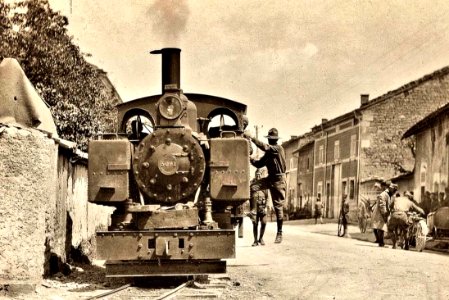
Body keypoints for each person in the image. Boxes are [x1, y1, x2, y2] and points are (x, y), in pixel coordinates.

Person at [244, 128, 287, 244]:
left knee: (278, 207)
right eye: (270, 139)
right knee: (253, 187)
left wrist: (252, 137)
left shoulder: (278, 149)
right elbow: (259, 164)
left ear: (276, 140)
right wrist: (249, 158)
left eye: (273, 139)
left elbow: (265, 147)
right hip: (270, 178)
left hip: (279, 180)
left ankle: (279, 233)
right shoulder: (269, 153)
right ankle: (253, 211)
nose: (271, 141)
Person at [372, 182, 398, 247]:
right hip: (380, 214)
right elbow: (382, 206)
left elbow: (391, 205)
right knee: (381, 228)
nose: (394, 191)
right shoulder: (383, 195)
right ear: (389, 188)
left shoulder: (391, 195)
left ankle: (382, 242)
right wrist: (385, 215)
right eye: (393, 189)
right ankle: (381, 242)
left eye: (395, 190)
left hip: (386, 213)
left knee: (383, 228)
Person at [250, 170, 269, 246]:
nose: (258, 176)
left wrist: (266, 207)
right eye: (256, 175)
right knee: (255, 224)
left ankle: (261, 238)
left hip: (262, 207)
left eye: (259, 175)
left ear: (261, 175)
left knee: (264, 222)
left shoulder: (264, 184)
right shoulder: (251, 184)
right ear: (255, 175)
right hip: (254, 208)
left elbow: (267, 197)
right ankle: (255, 241)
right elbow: (248, 195)